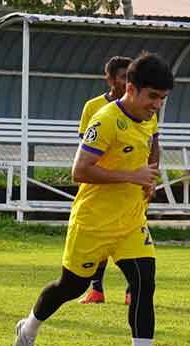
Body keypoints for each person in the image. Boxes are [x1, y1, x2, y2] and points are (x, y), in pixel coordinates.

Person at [10, 53, 173, 346]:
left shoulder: (149, 118)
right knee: (71, 287)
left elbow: (148, 151)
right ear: (131, 89)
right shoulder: (106, 120)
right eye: (152, 97)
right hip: (93, 222)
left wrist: (147, 178)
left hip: (130, 221)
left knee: (144, 282)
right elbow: (80, 170)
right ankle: (29, 328)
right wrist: (131, 175)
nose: (157, 105)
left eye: (162, 98)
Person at [77, 56, 135, 306]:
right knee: (101, 239)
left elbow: (153, 143)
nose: (127, 81)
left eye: (130, 76)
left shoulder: (143, 107)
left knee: (130, 238)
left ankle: (132, 290)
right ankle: (96, 289)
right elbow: (86, 149)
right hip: (101, 185)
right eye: (123, 77)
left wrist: (150, 176)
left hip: (132, 187)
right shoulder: (94, 108)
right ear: (110, 79)